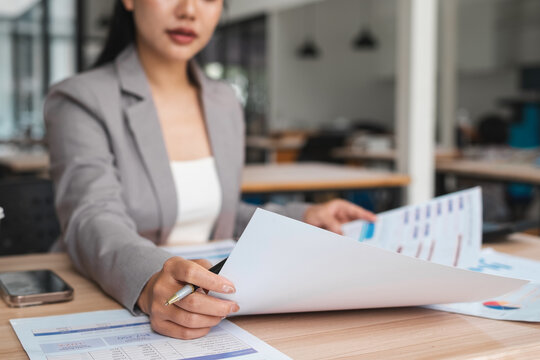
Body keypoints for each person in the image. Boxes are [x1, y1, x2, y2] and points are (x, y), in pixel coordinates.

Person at [45, 0, 376, 340]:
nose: (189, 10)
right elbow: (90, 218)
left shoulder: (224, 101)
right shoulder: (80, 99)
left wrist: (303, 216)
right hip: (118, 300)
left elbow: (217, 215)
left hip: (216, 300)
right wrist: (148, 278)